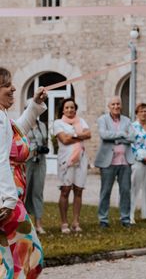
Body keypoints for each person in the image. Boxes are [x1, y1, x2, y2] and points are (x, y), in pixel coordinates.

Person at [0, 67, 47, 278]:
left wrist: (35, 104)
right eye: (7, 85)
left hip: (8, 197)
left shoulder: (4, 118)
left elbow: (17, 131)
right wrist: (9, 201)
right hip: (6, 199)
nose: (13, 88)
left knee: (8, 259)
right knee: (27, 257)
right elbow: (0, 159)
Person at [95, 96, 135, 228]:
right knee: (105, 191)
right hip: (108, 161)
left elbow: (132, 137)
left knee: (125, 191)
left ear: (121, 105)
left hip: (125, 161)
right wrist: (122, 135)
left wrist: (117, 138)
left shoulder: (127, 120)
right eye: (113, 104)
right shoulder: (103, 119)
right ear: (109, 106)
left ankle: (125, 219)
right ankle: (103, 219)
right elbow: (104, 135)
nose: (116, 106)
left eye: (118, 104)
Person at [53, 97, 91, 233]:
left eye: (72, 107)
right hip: (66, 160)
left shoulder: (81, 121)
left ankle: (76, 222)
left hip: (81, 158)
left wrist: (73, 134)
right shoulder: (58, 123)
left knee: (78, 190)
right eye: (67, 107)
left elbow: (89, 134)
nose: (70, 110)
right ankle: (64, 223)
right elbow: (65, 139)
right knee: (65, 190)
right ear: (63, 110)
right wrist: (79, 135)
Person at [25, 114, 48, 235]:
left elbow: (44, 140)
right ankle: (25, 224)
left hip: (40, 160)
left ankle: (39, 223)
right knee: (25, 191)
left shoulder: (42, 125)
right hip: (27, 160)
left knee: (38, 191)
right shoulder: (23, 124)